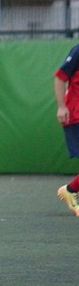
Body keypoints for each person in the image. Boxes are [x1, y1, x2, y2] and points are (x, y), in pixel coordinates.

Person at [54, 44, 79, 216]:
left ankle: (71, 190)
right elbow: (59, 77)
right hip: (75, 114)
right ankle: (70, 190)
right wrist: (61, 107)